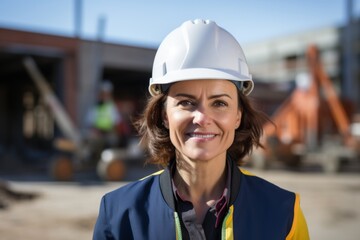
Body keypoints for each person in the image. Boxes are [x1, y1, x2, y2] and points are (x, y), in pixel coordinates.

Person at [93, 19, 309, 240]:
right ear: (165, 115)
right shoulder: (119, 214)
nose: (202, 118)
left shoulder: (284, 214)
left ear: (237, 116)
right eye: (186, 102)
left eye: (219, 103)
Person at [85, 80, 121, 148]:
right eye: (103, 94)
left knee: (113, 140)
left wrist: (112, 132)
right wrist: (95, 131)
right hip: (97, 134)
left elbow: (116, 123)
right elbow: (89, 123)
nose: (104, 96)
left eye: (106, 94)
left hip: (108, 134)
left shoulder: (112, 107)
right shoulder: (94, 107)